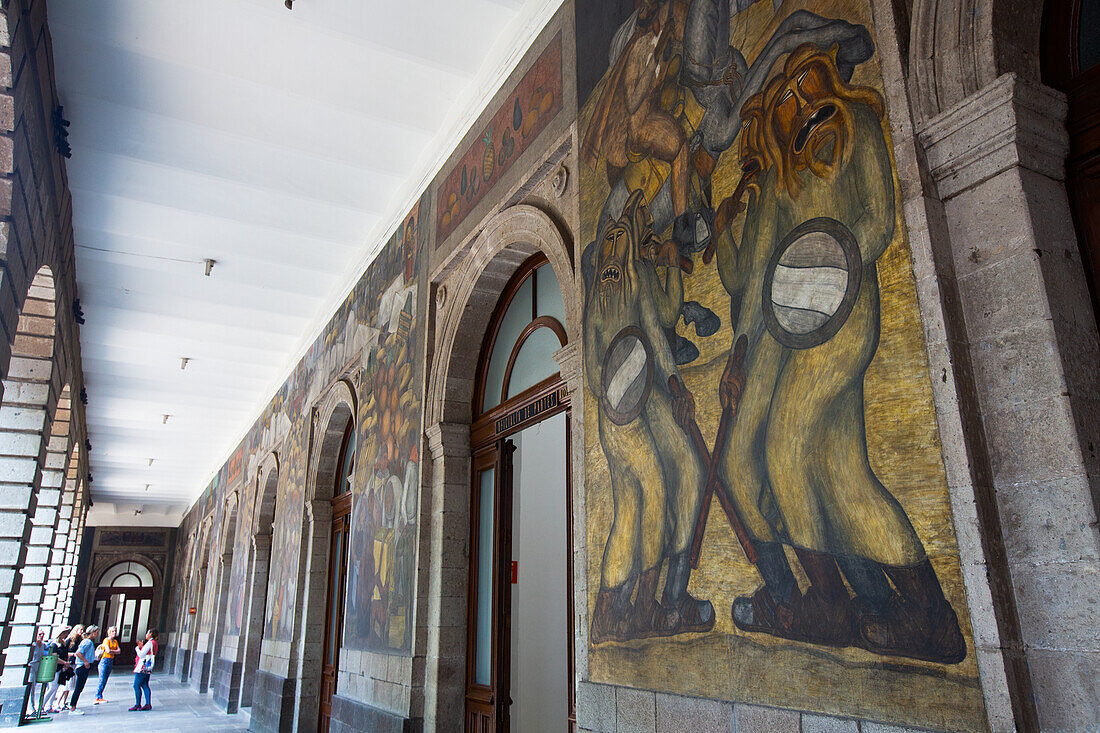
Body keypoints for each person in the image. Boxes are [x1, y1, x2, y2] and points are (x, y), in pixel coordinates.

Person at [68, 625, 99, 715]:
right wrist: (85, 662)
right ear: (92, 633)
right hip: (82, 667)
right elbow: (78, 653)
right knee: (78, 688)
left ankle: (73, 706)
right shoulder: (87, 642)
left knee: (79, 688)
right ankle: (73, 708)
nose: (97, 634)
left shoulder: (87, 641)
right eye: (96, 632)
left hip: (82, 666)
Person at [42, 627, 71, 714]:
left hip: (60, 668)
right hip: (53, 668)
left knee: (55, 688)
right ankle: (42, 705)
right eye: (63, 633)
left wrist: (66, 663)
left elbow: (65, 654)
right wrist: (65, 663)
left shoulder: (63, 643)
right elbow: (54, 657)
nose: (64, 635)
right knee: (52, 688)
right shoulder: (54, 645)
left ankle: (49, 706)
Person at [54, 625, 83, 711]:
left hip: (73, 663)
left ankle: (63, 702)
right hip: (68, 663)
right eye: (81, 629)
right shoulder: (68, 640)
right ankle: (57, 703)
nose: (82, 631)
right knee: (65, 685)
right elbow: (66, 653)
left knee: (70, 686)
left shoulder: (79, 640)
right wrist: (70, 659)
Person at [129, 628, 158, 712]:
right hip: (148, 666)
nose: (146, 634)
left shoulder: (149, 643)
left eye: (147, 633)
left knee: (136, 685)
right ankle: (148, 703)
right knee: (145, 685)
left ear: (151, 634)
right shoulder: (154, 643)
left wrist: (137, 648)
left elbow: (141, 655)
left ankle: (138, 704)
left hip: (143, 666)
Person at [93, 625, 120, 703]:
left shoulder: (115, 641)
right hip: (104, 660)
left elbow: (119, 651)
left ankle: (100, 695)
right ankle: (97, 697)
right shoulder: (106, 640)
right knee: (102, 679)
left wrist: (112, 651)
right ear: (109, 632)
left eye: (115, 631)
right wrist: (115, 651)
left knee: (105, 679)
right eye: (112, 631)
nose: (114, 632)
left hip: (111, 660)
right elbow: (108, 651)